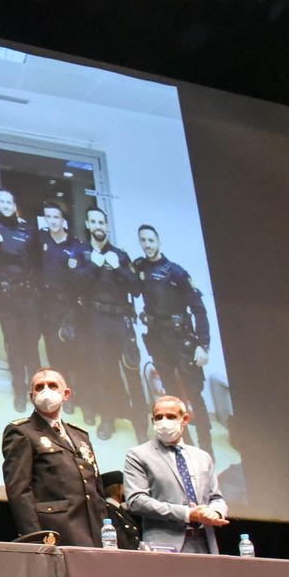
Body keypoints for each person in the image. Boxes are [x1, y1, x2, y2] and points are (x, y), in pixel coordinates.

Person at [1, 367, 107, 547]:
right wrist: (34, 537)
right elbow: (19, 490)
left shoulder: (80, 436)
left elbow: (96, 488)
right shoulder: (22, 432)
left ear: (65, 394)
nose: (46, 391)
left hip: (93, 530)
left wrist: (105, 530)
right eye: (39, 387)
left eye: (52, 385)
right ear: (31, 396)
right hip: (55, 531)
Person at [132, 225, 213, 452]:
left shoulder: (176, 272)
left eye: (151, 240)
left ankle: (206, 447)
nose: (147, 244)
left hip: (182, 341)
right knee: (171, 395)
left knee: (194, 394)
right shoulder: (139, 268)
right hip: (158, 340)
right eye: (143, 240)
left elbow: (199, 309)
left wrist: (203, 345)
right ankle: (185, 445)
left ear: (159, 242)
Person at [122, 395, 228, 553]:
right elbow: (136, 501)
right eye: (158, 417)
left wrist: (215, 512)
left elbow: (216, 498)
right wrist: (187, 513)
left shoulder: (202, 457)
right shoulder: (138, 455)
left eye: (171, 416)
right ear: (153, 422)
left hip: (205, 541)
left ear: (184, 419)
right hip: (164, 545)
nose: (164, 422)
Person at [79, 207, 145, 439]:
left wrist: (119, 268)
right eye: (93, 222)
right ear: (88, 224)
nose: (98, 226)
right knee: (104, 371)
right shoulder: (83, 253)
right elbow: (75, 284)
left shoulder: (121, 255)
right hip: (96, 320)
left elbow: (136, 289)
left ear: (107, 226)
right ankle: (108, 419)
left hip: (120, 320)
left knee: (132, 372)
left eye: (101, 222)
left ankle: (140, 425)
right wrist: (92, 266)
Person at [0, 189, 42, 412]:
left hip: (27, 296)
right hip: (6, 296)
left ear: (14, 204)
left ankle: (38, 389)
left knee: (30, 342)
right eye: (2, 201)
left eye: (9, 201)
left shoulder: (29, 230)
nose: (5, 204)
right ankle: (19, 390)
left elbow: (38, 262)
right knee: (13, 344)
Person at [36, 203, 86, 411]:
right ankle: (62, 396)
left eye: (56, 217)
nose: (53, 221)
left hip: (70, 306)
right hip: (48, 304)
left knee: (72, 351)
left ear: (63, 219)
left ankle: (78, 395)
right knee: (54, 352)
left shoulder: (76, 245)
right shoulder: (41, 240)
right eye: (48, 217)